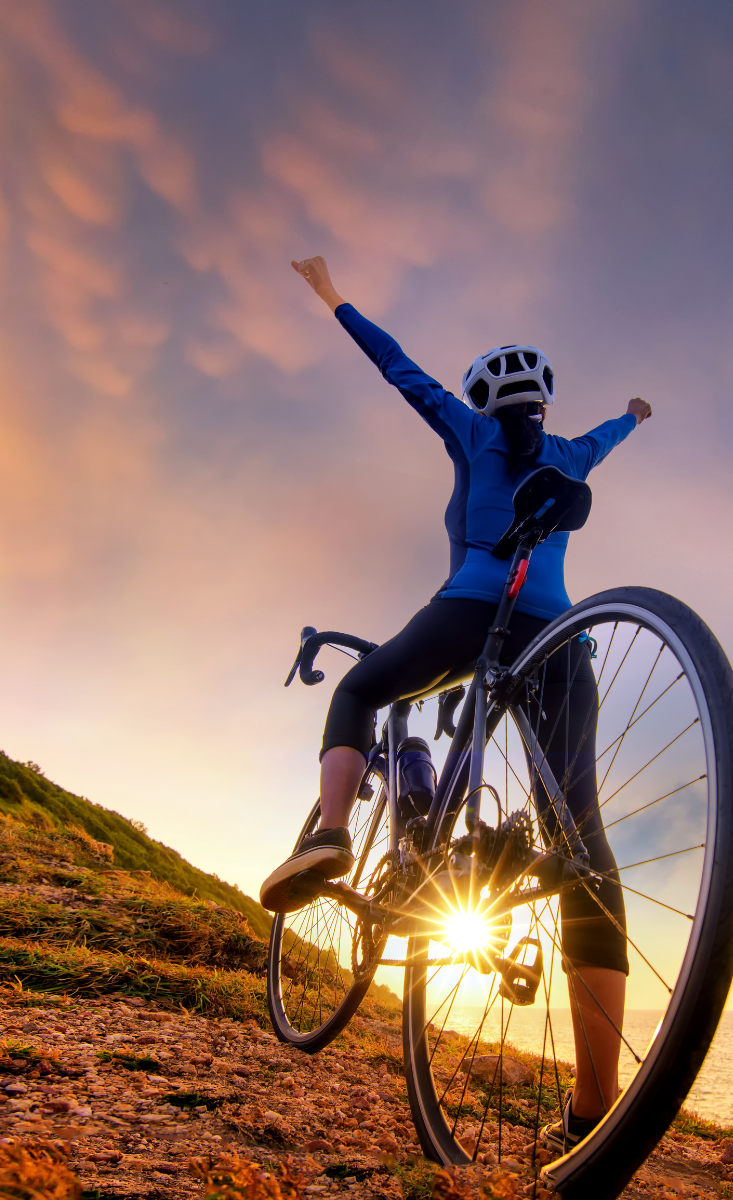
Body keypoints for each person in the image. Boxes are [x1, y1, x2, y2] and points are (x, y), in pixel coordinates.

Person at [262, 255, 652, 1152]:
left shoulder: (470, 430)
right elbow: (605, 437)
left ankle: (329, 836)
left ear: (483, 403)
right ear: (543, 406)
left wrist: (333, 297)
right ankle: (595, 1105)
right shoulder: (569, 452)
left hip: (471, 612)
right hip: (559, 638)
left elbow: (399, 369)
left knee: (360, 689)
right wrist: (632, 417)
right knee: (583, 842)